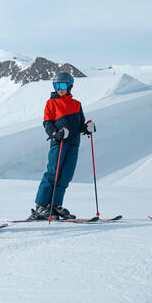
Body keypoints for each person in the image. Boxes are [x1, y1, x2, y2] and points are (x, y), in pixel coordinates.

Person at [29, 71, 95, 220]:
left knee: (66, 176)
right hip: (59, 143)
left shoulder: (76, 104)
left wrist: (87, 128)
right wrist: (54, 133)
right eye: (56, 85)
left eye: (63, 85)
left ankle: (55, 205)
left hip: (74, 143)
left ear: (69, 86)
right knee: (53, 173)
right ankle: (41, 206)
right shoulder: (51, 103)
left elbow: (80, 124)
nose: (59, 88)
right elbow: (47, 122)